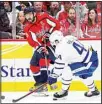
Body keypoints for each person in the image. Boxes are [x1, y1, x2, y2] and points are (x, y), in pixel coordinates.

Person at [48, 30, 100, 99]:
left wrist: (53, 76)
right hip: (92, 59)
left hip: (88, 63)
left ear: (56, 41)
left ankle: (64, 91)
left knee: (67, 70)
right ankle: (94, 90)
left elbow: (59, 66)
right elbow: (71, 54)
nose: (53, 44)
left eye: (52, 42)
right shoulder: (69, 37)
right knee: (83, 74)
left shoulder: (60, 48)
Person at [23, 7, 61, 91]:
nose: (28, 17)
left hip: (53, 44)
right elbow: (31, 41)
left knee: (43, 60)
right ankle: (40, 84)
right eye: (26, 15)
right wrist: (38, 46)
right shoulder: (27, 28)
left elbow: (57, 25)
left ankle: (45, 84)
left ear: (34, 13)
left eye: (29, 14)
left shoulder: (44, 17)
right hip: (42, 45)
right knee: (33, 65)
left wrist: (50, 34)